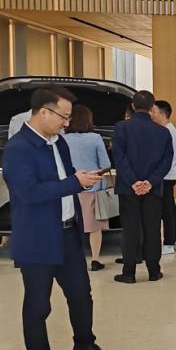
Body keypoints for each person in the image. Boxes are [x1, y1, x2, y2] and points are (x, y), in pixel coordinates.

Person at [2, 85, 116, 350]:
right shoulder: (18, 149)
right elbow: (29, 193)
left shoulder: (59, 143)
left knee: (81, 294)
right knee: (38, 304)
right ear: (43, 112)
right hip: (37, 237)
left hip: (67, 232)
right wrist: (74, 183)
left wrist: (82, 180)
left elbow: (66, 178)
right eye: (63, 117)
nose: (67, 123)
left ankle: (84, 343)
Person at [111, 90, 173, 283]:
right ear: (152, 107)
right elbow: (166, 162)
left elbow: (119, 158)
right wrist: (150, 182)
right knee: (152, 229)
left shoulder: (121, 128)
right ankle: (154, 271)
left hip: (128, 188)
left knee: (130, 229)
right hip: (152, 189)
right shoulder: (163, 132)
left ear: (132, 105)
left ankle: (129, 272)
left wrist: (133, 181)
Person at [64, 104, 111, 271]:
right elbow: (106, 164)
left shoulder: (63, 139)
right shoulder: (96, 138)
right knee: (94, 227)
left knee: (69, 225)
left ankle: (71, 259)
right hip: (93, 187)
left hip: (69, 187)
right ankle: (95, 260)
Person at [151, 100, 176, 255]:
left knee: (167, 210)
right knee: (171, 208)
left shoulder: (168, 131)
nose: (151, 114)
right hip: (168, 174)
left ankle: (169, 242)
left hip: (166, 176)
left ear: (163, 114)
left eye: (154, 112)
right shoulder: (168, 129)